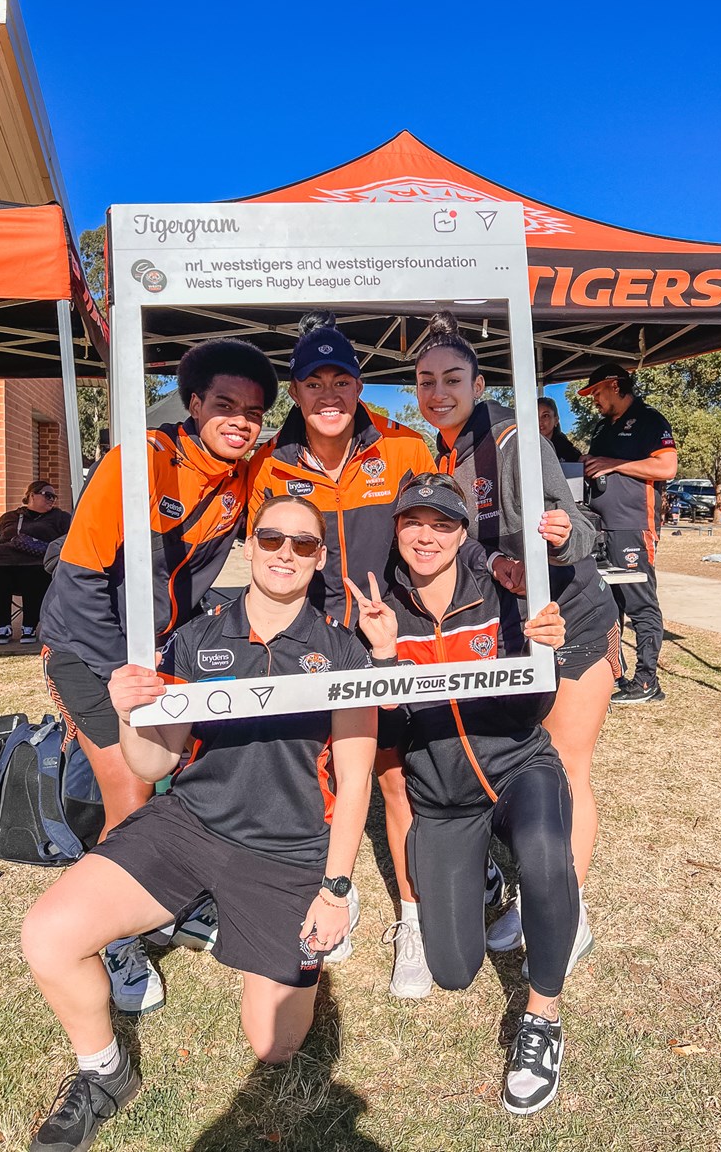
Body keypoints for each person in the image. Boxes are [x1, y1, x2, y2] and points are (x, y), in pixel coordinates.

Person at [21, 494, 377, 1152]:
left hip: (288, 851)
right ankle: (103, 1073)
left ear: (319, 557)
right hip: (188, 826)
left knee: (275, 1047)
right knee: (48, 935)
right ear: (251, 543)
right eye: (271, 539)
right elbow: (154, 760)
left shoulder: (344, 653)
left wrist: (335, 889)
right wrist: (132, 714)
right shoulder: (197, 636)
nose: (285, 554)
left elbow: (355, 780)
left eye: (303, 545)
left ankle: (254, 928)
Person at [38, 338, 278, 1014]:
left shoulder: (242, 473)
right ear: (193, 402)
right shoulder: (137, 462)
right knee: (133, 792)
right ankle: (114, 935)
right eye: (224, 405)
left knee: (189, 778)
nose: (240, 420)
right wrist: (127, 675)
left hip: (161, 652)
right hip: (87, 651)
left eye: (254, 411)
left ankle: (169, 898)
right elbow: (79, 582)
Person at [347, 473, 576, 1115]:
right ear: (396, 529)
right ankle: (488, 885)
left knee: (543, 852)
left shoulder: (499, 590)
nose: (426, 536)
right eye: (413, 522)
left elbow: (534, 705)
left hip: (517, 768)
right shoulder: (375, 604)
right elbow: (390, 731)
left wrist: (544, 651)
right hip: (444, 798)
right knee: (451, 970)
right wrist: (387, 657)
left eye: (443, 525)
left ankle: (541, 1019)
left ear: (462, 534)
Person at [412, 312, 619, 976]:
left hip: (576, 624)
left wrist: (561, 536)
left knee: (564, 768)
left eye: (452, 379)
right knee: (533, 765)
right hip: (516, 633)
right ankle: (536, 895)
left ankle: (565, 909)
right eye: (424, 381)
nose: (438, 392)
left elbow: (586, 531)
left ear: (477, 383)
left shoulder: (512, 441)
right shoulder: (442, 449)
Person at [248, 313, 438, 994]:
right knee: (318, 779)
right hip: (309, 645)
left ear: (360, 386)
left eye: (341, 380)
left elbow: (443, 537)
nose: (328, 393)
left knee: (393, 780)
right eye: (313, 381)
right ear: (295, 392)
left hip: (390, 640)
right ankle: (340, 893)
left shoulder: (406, 449)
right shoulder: (267, 463)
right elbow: (263, 557)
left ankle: (412, 920)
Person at [580, 361, 677, 705]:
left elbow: (667, 466)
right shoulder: (603, 427)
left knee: (640, 603)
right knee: (609, 604)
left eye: (596, 392)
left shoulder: (650, 420)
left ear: (616, 386)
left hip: (633, 526)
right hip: (600, 528)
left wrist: (614, 464)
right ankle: (614, 672)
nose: (593, 399)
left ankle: (648, 681)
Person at [0, 481, 70, 643]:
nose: (52, 499)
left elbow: (72, 537)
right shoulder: (9, 517)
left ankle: (29, 627)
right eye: (47, 495)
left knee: (35, 573)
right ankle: (3, 626)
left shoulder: (60, 517)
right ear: (31, 495)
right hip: (2, 563)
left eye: (54, 496)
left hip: (37, 563)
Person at [537, 397, 582, 462]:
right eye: (536, 416)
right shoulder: (523, 448)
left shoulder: (568, 452)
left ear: (556, 420)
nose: (540, 421)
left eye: (545, 416)